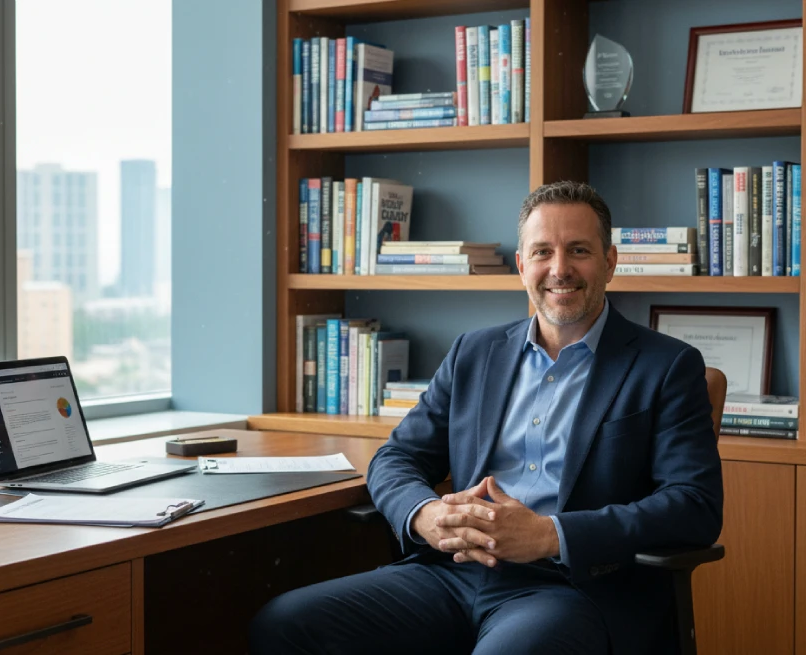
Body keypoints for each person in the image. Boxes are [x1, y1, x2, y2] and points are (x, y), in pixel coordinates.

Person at [250, 181, 723, 654]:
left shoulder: (666, 366)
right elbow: (396, 457)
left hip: (569, 588)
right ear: (521, 266)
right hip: (451, 572)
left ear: (610, 262)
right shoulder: (474, 352)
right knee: (285, 624)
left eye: (578, 250)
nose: (560, 269)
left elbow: (693, 505)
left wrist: (548, 534)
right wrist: (425, 514)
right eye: (542, 252)